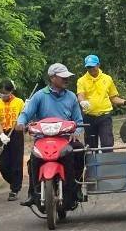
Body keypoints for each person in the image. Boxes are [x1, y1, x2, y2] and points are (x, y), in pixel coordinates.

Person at [16, 63, 85, 208]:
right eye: (63, 77)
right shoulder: (39, 96)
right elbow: (26, 113)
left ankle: (76, 189)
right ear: (52, 78)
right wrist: (21, 123)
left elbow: (78, 121)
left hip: (65, 139)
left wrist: (76, 132)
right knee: (33, 159)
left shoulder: (71, 97)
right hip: (43, 139)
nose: (66, 79)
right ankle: (32, 193)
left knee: (80, 151)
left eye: (67, 77)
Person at [76, 55, 126, 151]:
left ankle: (107, 165)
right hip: (89, 117)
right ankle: (92, 166)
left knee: (107, 144)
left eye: (93, 66)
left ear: (98, 65)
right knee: (91, 147)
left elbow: (114, 98)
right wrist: (82, 101)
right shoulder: (81, 81)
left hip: (104, 116)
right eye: (88, 67)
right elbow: (80, 95)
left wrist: (125, 102)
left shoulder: (107, 79)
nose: (91, 69)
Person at [0, 79, 24, 202]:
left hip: (16, 133)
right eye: (1, 93)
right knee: (3, 165)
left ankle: (14, 190)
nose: (3, 95)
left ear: (11, 91)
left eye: (5, 93)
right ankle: (15, 182)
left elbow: (24, 116)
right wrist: (1, 135)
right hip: (3, 135)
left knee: (16, 161)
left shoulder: (19, 102)